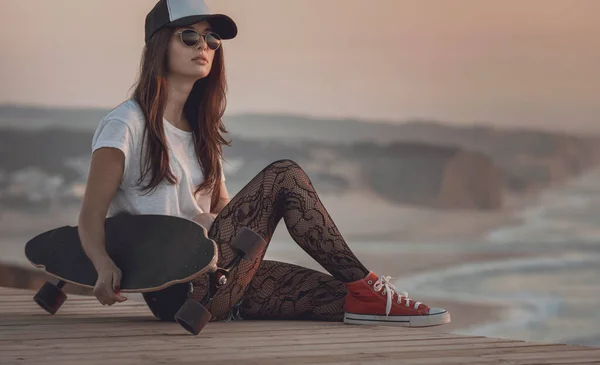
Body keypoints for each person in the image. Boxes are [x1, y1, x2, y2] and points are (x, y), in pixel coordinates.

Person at [78, 0, 451, 327]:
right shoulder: (126, 123)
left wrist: (224, 224)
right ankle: (372, 287)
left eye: (211, 39)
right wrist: (103, 265)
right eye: (189, 37)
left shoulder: (201, 131)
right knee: (283, 176)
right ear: (160, 44)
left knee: (343, 297)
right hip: (176, 288)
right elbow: (91, 214)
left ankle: (367, 296)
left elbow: (220, 206)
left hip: (218, 274)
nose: (203, 47)